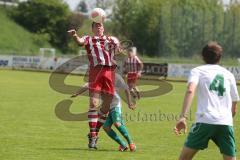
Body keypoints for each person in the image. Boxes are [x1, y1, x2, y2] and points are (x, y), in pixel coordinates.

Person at [174, 41, 239, 160]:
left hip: (205, 120)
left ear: (203, 56)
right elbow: (234, 105)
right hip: (225, 122)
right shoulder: (229, 74)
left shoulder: (197, 71)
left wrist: (183, 117)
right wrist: (225, 118)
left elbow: (190, 90)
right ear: (219, 57)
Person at [68, 22, 120, 149]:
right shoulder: (88, 39)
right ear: (92, 29)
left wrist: (118, 48)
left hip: (109, 72)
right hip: (95, 71)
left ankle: (94, 133)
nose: (99, 27)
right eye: (96, 26)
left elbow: (118, 50)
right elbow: (80, 41)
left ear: (103, 28)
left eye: (100, 25)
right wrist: (75, 35)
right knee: (94, 104)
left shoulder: (110, 39)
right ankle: (93, 135)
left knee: (106, 108)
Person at [71, 74, 137, 151]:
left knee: (117, 124)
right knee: (106, 127)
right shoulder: (98, 82)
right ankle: (123, 145)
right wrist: (77, 93)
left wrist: (129, 103)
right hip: (107, 107)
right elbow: (87, 85)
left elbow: (126, 89)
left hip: (116, 105)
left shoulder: (109, 80)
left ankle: (131, 143)